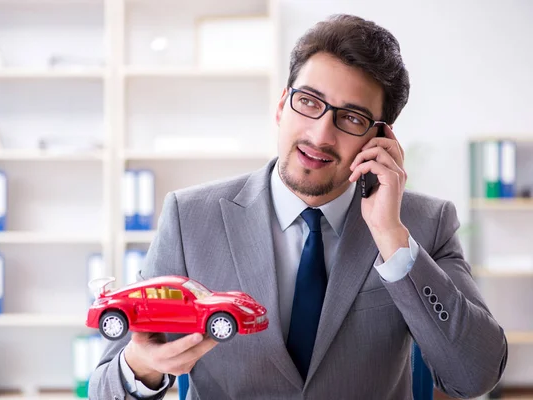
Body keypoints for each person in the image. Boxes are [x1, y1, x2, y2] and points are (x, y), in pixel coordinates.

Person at [90, 14, 507, 399]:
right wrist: (141, 366)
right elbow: (103, 386)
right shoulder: (191, 218)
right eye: (308, 101)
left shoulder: (422, 223)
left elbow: (474, 376)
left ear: (380, 139)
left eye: (352, 119)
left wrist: (391, 239)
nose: (320, 134)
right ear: (281, 106)